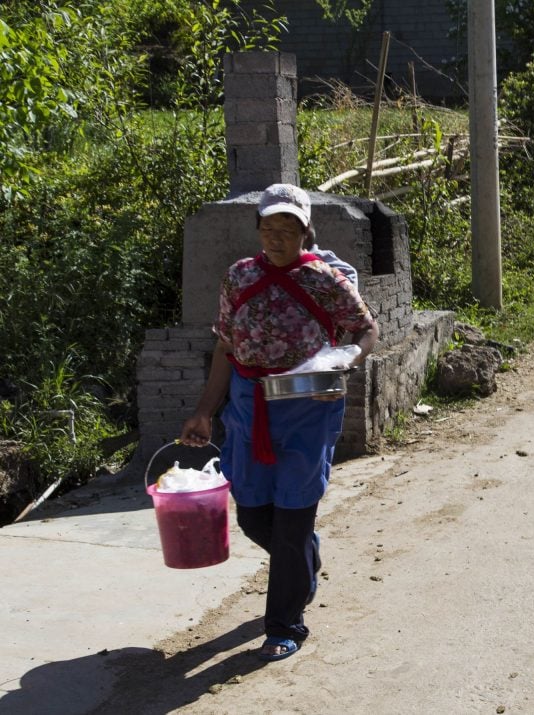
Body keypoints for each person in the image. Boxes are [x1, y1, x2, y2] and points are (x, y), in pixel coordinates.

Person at [180, 183, 379, 662]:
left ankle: (284, 625)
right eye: (268, 227)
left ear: (305, 230)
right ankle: (304, 559)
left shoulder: (325, 279)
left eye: (287, 227)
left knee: (292, 519)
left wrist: (350, 354)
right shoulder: (239, 276)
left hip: (307, 411)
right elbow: (226, 347)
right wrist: (205, 411)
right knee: (252, 513)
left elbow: (366, 328)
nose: (276, 236)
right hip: (250, 407)